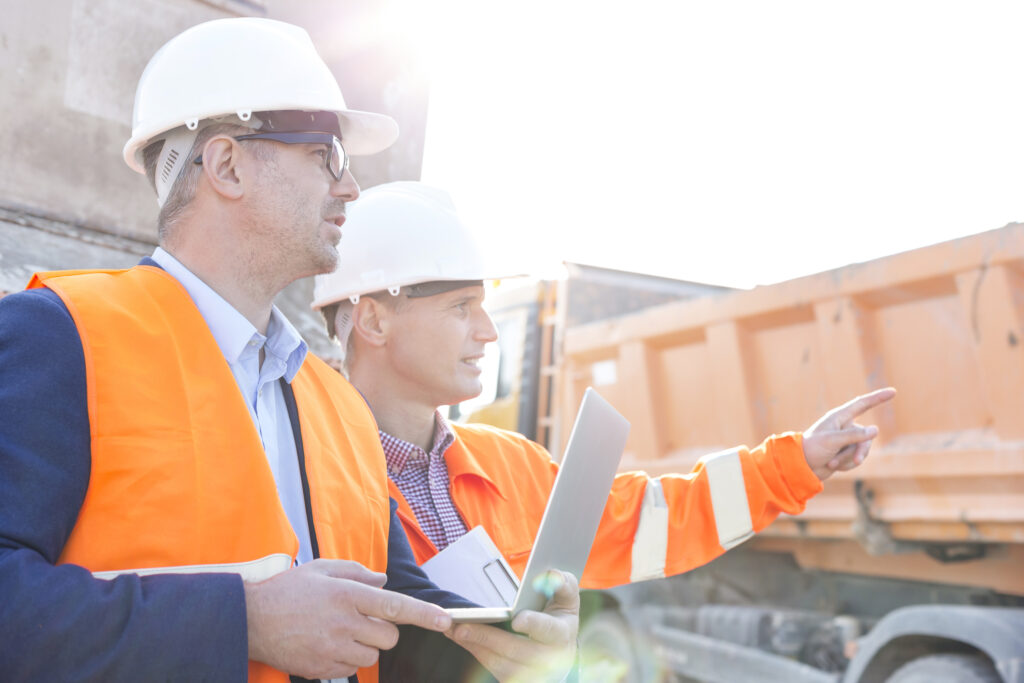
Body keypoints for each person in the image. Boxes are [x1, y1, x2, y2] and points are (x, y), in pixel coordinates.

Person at [0, 19, 578, 683]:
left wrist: (503, 638)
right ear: (227, 165)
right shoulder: (60, 336)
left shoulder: (338, 407)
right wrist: (248, 623)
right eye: (324, 154)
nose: (350, 188)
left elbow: (394, 616)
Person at [311, 181, 897, 591]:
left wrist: (799, 463)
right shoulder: (300, 469)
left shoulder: (513, 465)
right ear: (374, 321)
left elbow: (654, 519)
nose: (488, 331)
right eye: (462, 307)